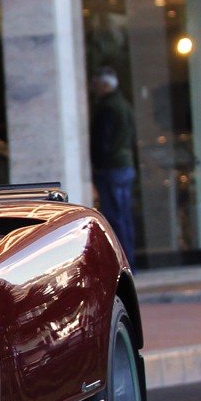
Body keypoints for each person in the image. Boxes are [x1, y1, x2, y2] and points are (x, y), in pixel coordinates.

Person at [89, 65, 137, 262]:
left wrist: (97, 163)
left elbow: (102, 142)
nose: (94, 89)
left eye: (97, 84)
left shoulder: (108, 108)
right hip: (123, 165)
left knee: (116, 218)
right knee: (124, 216)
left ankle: (124, 262)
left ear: (105, 85)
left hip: (111, 167)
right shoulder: (123, 105)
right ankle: (129, 261)